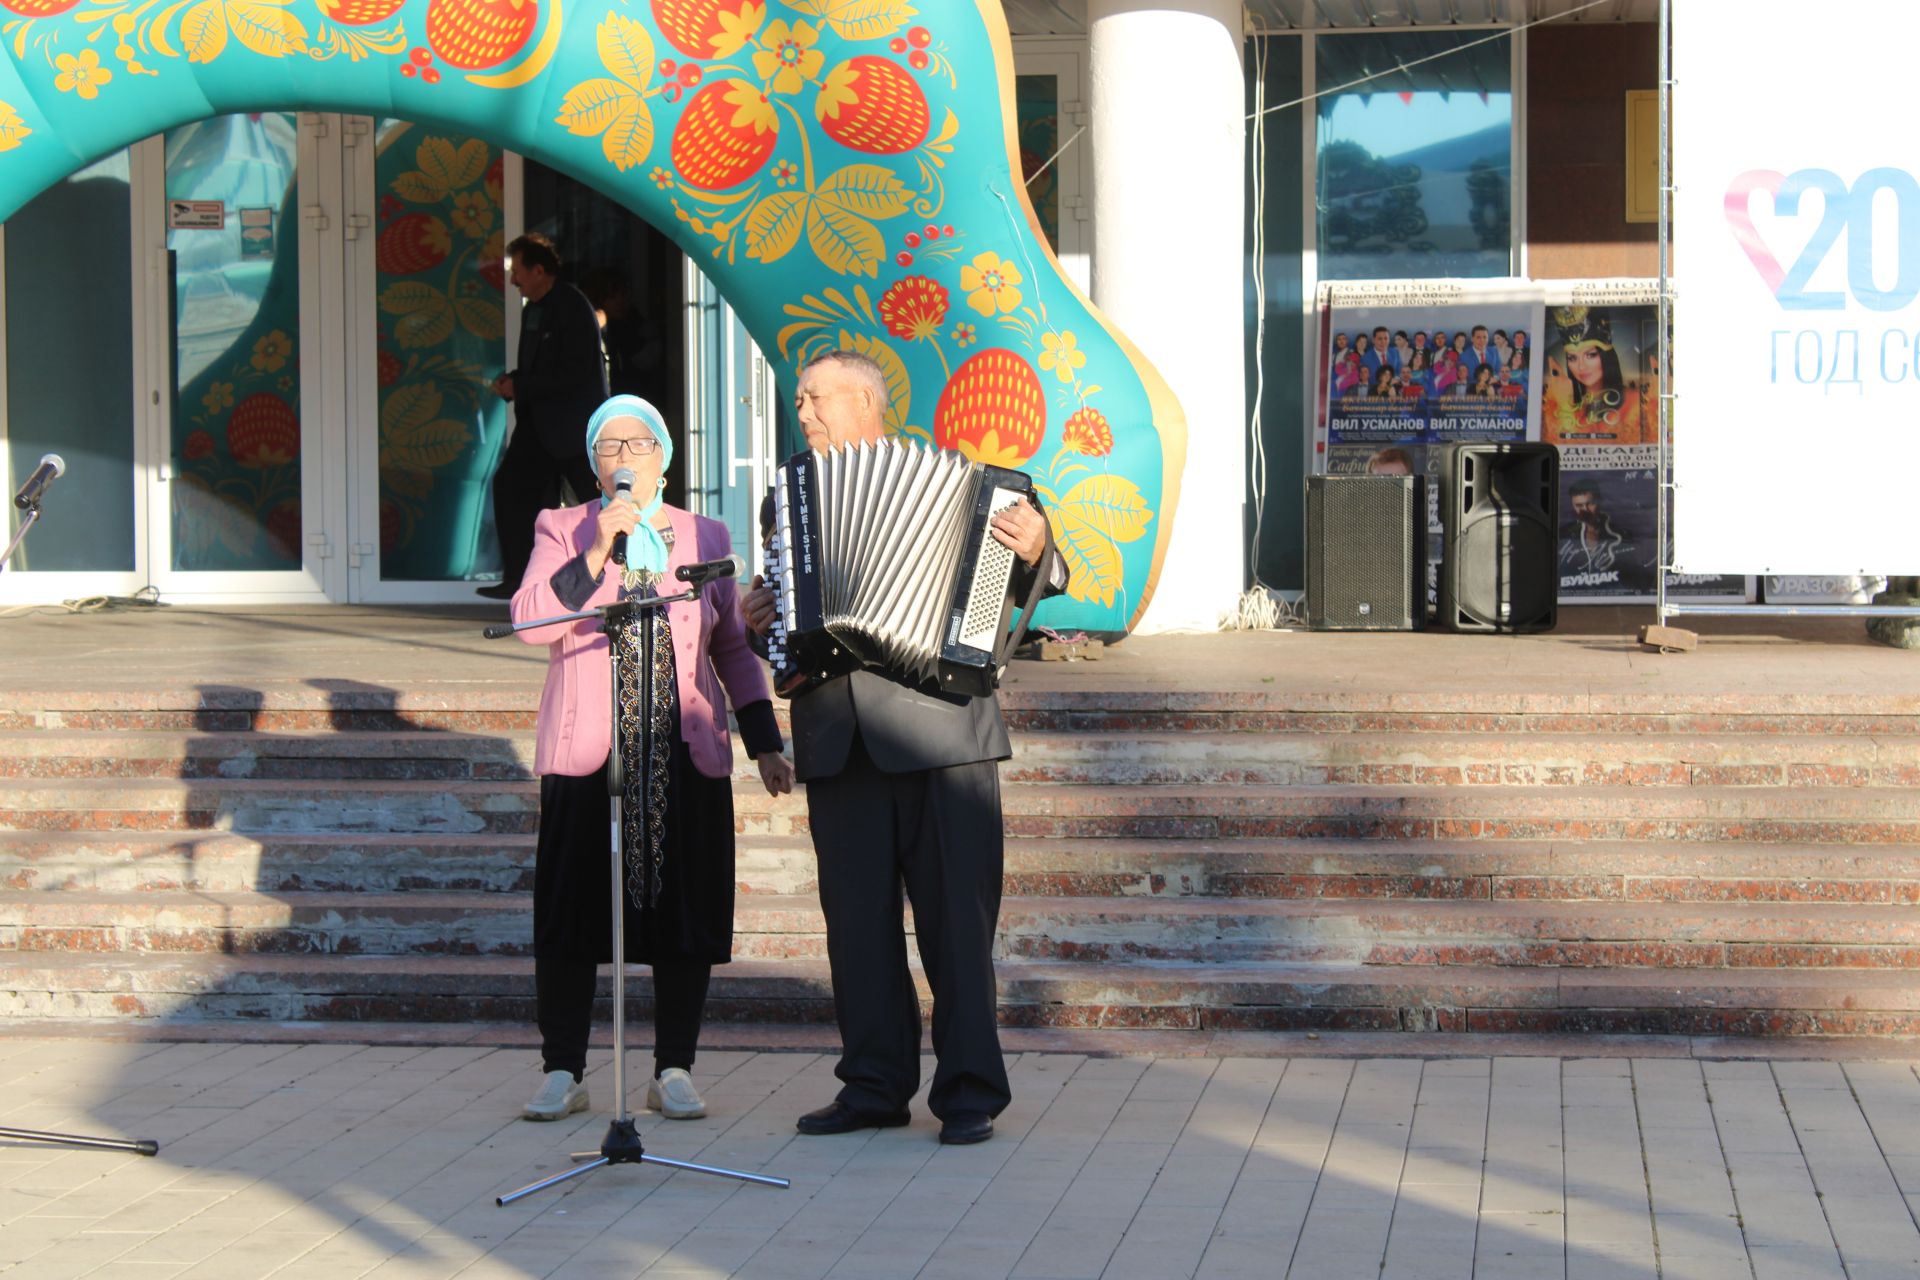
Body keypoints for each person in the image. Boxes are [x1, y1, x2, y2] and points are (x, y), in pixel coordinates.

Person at [741, 349, 1067, 1147]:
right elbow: (789, 617)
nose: (805, 414)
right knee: (856, 927)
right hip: (837, 736)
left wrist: (1036, 549)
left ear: (865, 402)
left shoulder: (973, 488)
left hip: (944, 734)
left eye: (816, 400)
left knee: (958, 924)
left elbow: (1043, 580)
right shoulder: (788, 497)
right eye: (801, 402)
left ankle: (968, 1094)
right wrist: (763, 624)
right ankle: (874, 1086)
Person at [511, 394, 795, 1123]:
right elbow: (531, 624)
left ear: (665, 456)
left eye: (639, 444)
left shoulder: (704, 533)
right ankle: (563, 1068)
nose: (625, 458)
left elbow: (731, 645)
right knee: (573, 911)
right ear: (594, 465)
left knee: (684, 913)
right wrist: (597, 549)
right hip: (588, 757)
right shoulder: (563, 527)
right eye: (609, 447)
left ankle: (673, 1066)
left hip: (682, 747)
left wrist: (763, 741)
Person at [481, 233, 610, 601]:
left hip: (572, 427)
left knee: (594, 500)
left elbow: (573, 372)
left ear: (540, 270)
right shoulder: (533, 310)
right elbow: (538, 368)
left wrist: (522, 386)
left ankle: (618, 575)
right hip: (539, 426)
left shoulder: (572, 307)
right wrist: (516, 381)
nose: (512, 280)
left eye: (518, 271)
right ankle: (519, 581)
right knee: (511, 489)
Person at [1541, 306, 1647, 444]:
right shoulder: (1559, 406)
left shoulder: (1634, 402)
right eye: (1572, 358)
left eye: (1591, 355)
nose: (1581, 366)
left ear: (1606, 356)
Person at [1559, 479, 1632, 575]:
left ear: (1599, 502)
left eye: (1590, 503)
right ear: (1573, 506)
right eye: (1579, 505)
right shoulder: (1563, 534)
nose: (1585, 510)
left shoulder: (1622, 534)